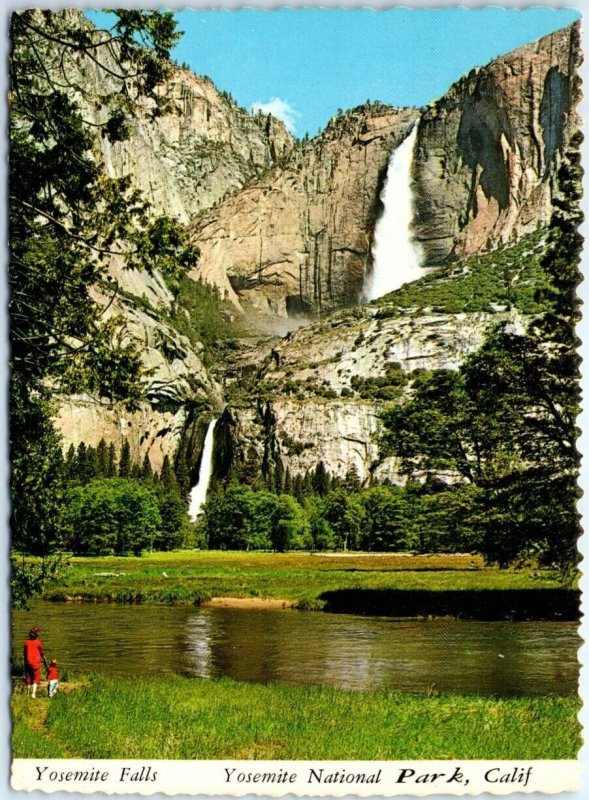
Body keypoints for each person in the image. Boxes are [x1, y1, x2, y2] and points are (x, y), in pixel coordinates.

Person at [23, 627, 47, 698]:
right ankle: (33, 694)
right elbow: (42, 653)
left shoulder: (26, 642)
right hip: (35, 663)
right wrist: (44, 660)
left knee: (28, 678)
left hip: (27, 662)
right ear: (37, 634)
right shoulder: (38, 642)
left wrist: (25, 661)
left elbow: (24, 653)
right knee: (36, 678)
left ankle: (27, 694)